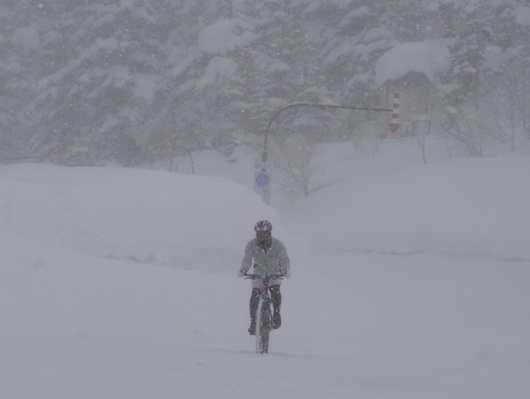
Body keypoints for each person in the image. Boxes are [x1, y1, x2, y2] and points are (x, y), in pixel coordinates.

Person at [238, 220, 291, 335]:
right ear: (256, 234)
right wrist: (244, 269)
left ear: (270, 233)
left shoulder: (278, 245)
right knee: (254, 296)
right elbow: (247, 259)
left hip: (274, 274)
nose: (262, 237)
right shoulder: (251, 245)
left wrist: (285, 269)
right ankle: (253, 323)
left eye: (265, 234)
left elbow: (284, 259)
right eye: (260, 234)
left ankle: (276, 314)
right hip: (259, 274)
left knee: (275, 290)